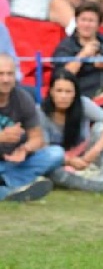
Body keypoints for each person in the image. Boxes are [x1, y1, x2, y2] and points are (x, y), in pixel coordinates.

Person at [39, 70, 103, 194]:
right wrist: (69, 161)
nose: (63, 96)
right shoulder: (40, 112)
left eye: (68, 91)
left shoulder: (83, 103)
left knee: (101, 127)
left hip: (88, 159)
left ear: (75, 93)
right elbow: (43, 150)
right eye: (59, 91)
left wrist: (93, 152)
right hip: (60, 163)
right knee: (53, 172)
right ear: (51, 92)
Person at [0, 54, 63, 202]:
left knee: (56, 153)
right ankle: (10, 190)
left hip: (14, 163)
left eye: (10, 74)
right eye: (1, 74)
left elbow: (37, 138)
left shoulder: (23, 98)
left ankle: (8, 182)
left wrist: (25, 150)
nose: (6, 79)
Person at [53, 1, 103, 98]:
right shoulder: (66, 46)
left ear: (99, 24)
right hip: (81, 95)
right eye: (83, 20)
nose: (86, 24)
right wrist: (83, 55)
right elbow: (61, 77)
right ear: (76, 22)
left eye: (91, 21)